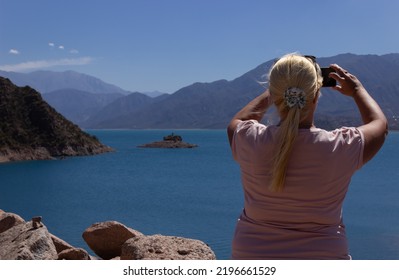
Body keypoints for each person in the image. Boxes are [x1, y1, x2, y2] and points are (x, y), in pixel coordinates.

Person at [227, 53, 388, 259]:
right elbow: (379, 125)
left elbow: (240, 120)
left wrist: (280, 90)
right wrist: (357, 90)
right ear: (315, 95)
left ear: (275, 95)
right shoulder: (339, 147)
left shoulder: (249, 139)